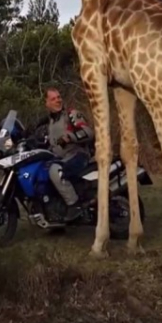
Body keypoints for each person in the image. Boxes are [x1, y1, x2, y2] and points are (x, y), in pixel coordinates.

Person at [37, 87, 94, 222]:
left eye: (59, 97)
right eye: (53, 98)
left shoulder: (71, 115)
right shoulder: (49, 123)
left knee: (56, 171)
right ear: (47, 103)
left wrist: (71, 137)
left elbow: (88, 132)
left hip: (78, 155)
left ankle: (74, 205)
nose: (58, 100)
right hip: (63, 158)